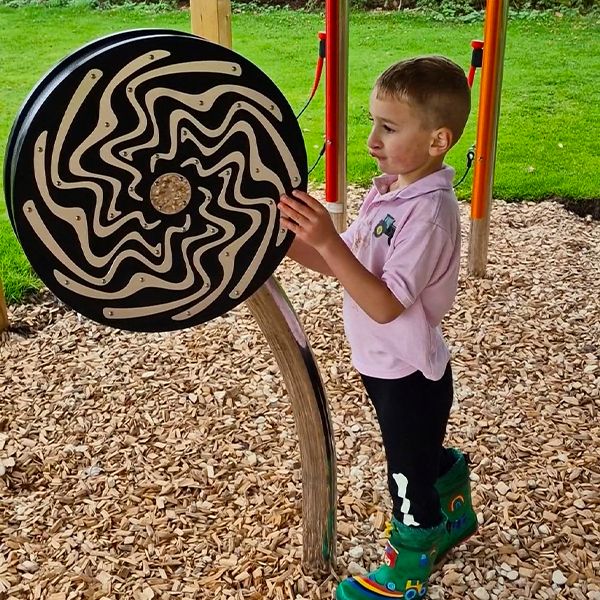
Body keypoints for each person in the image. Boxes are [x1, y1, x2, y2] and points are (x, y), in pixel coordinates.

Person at [277, 56, 478, 599]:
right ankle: (455, 508)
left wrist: (326, 240)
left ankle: (413, 558)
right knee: (419, 449)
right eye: (373, 122)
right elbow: (348, 265)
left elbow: (385, 304)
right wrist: (285, 240)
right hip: (385, 364)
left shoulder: (429, 213)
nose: (371, 139)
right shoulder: (391, 191)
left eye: (388, 128)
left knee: (406, 473)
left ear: (438, 140)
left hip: (408, 372)